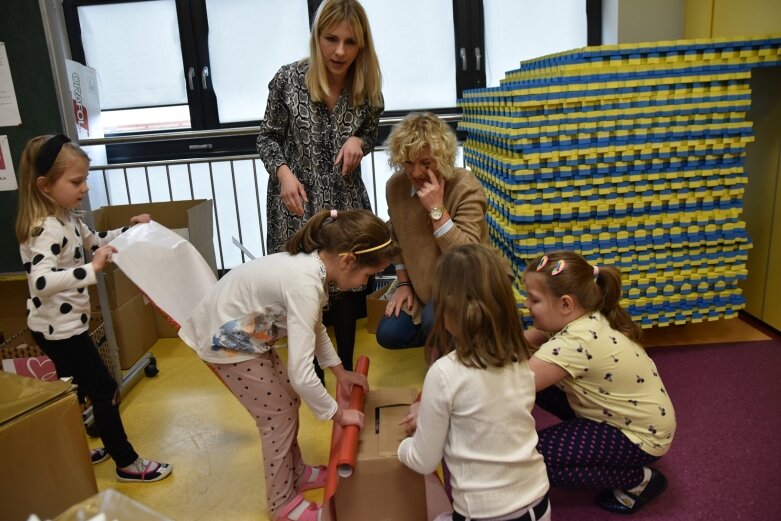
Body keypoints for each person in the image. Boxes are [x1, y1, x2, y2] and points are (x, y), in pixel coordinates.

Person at [178, 209, 397, 521]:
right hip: (224, 338)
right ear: (348, 260)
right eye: (367, 275)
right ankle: (282, 504)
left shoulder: (314, 271)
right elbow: (302, 373)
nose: (365, 283)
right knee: (276, 416)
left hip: (248, 331)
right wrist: (338, 413)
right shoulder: (305, 284)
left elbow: (314, 327)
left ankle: (297, 475)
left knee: (287, 401)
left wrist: (339, 372)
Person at [15, 134, 173, 483]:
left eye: (85, 179)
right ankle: (126, 462)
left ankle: (76, 448)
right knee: (105, 390)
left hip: (66, 325)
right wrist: (92, 270)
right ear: (44, 185)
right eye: (75, 181)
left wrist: (128, 230)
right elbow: (39, 282)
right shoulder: (44, 229)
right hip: (59, 331)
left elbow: (96, 241)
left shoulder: (68, 217)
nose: (84, 188)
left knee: (73, 391)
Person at [257, 0, 383, 377]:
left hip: (344, 202)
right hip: (297, 205)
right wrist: (282, 173)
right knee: (302, 291)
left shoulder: (368, 87)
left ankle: (344, 368)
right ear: (317, 37)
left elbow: (371, 133)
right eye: (331, 39)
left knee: (345, 287)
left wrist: (359, 141)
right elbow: (267, 138)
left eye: (350, 42)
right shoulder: (287, 80)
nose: (340, 51)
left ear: (362, 45)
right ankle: (309, 372)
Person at [397, 243, 551, 521]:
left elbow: (423, 461)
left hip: (484, 514)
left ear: (445, 311)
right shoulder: (518, 358)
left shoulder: (444, 372)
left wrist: (401, 447)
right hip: (540, 505)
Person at [523, 251, 676, 514]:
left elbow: (513, 385)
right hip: (620, 415)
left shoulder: (577, 341)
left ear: (566, 304)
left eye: (533, 299)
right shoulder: (579, 315)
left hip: (640, 436)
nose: (526, 304)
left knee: (532, 459)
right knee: (536, 377)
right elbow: (522, 343)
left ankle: (639, 481)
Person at [378, 112, 490, 359]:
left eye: (426, 163)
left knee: (435, 317)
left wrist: (437, 211)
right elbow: (395, 238)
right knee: (389, 333)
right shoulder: (395, 187)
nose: (416, 173)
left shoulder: (465, 185)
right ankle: (441, 339)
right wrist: (404, 283)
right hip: (425, 287)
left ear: (444, 158)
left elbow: (468, 258)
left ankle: (460, 342)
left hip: (468, 285)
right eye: (408, 162)